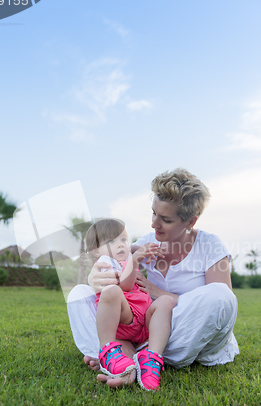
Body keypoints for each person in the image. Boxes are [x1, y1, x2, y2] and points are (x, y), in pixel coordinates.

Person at [67, 167, 239, 388]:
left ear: (190, 222)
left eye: (165, 220)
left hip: (187, 327)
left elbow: (222, 306)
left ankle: (128, 355)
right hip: (146, 328)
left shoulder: (210, 245)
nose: (154, 224)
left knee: (220, 296)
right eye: (153, 213)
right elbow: (110, 263)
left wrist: (157, 292)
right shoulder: (146, 242)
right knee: (79, 294)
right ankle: (127, 359)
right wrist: (94, 279)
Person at [85, 218, 176, 390]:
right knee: (112, 291)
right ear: (96, 251)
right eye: (111, 241)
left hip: (143, 321)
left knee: (166, 301)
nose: (120, 245)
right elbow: (124, 285)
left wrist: (146, 251)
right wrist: (135, 260)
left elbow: (135, 251)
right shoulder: (104, 263)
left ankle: (151, 358)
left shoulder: (125, 258)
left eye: (123, 240)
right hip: (125, 318)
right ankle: (107, 351)